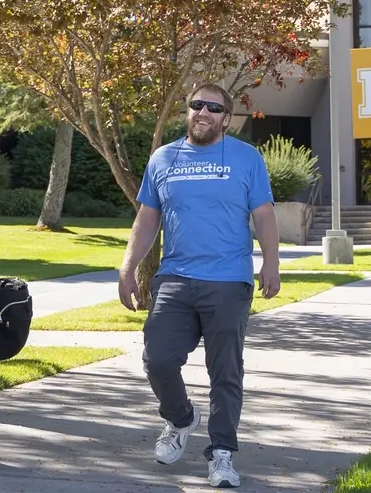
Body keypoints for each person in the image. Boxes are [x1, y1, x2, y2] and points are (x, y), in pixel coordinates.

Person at [117, 82, 281, 489]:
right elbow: (147, 218)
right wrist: (128, 267)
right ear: (187, 112)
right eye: (196, 105)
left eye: (213, 107)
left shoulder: (246, 158)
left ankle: (222, 454)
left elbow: (263, 214)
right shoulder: (164, 157)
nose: (203, 112)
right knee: (157, 359)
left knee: (225, 370)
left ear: (226, 117)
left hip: (228, 280)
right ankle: (181, 418)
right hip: (175, 277)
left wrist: (272, 264)